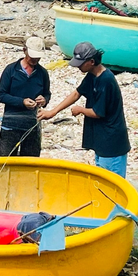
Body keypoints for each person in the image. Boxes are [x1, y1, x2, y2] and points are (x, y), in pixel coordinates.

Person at [37, 42, 130, 177]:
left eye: (81, 63)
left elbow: (98, 113)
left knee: (111, 179)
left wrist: (80, 109)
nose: (78, 66)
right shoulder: (92, 76)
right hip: (100, 138)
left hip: (112, 142)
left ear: (91, 61)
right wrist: (52, 112)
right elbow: (76, 93)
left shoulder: (106, 80)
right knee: (101, 176)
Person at [0, 37, 51, 157]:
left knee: (30, 162)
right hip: (10, 124)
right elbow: (1, 95)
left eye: (38, 57)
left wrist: (44, 100)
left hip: (32, 126)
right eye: (32, 56)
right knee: (5, 160)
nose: (35, 59)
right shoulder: (11, 70)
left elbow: (47, 93)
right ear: (24, 50)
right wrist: (21, 102)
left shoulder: (43, 73)